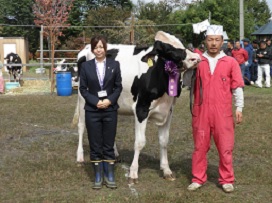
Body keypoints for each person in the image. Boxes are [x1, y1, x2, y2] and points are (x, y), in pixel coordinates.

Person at [187, 25, 244, 193]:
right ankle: (198, 178)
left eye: (217, 40)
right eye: (210, 40)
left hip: (223, 113)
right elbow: (186, 82)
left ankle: (226, 179)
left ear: (222, 42)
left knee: (225, 146)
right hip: (201, 111)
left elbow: (237, 87)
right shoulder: (197, 61)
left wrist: (239, 107)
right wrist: (189, 68)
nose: (213, 43)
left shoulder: (230, 62)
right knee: (200, 147)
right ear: (205, 41)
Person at [79, 35, 123, 189]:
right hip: (92, 110)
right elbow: (83, 89)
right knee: (95, 143)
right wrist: (95, 101)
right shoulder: (86, 66)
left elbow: (118, 87)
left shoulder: (114, 64)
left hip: (110, 109)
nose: (99, 50)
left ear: (105, 49)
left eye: (101, 47)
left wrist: (109, 100)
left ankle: (109, 174)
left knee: (108, 143)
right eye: (96, 47)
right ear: (92, 49)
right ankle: (98, 175)